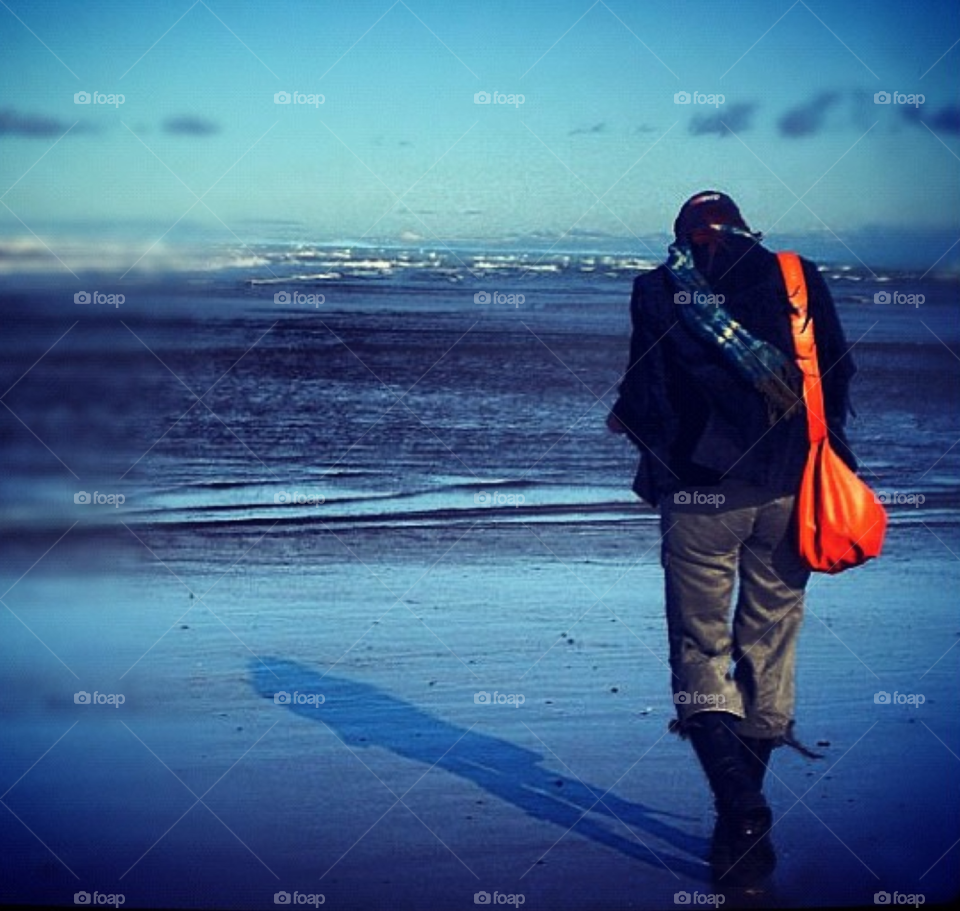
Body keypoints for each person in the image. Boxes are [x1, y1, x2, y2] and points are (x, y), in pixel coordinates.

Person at [607, 191, 856, 885]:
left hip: (699, 494)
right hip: (787, 490)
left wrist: (646, 451)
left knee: (700, 646)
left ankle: (739, 805)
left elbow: (646, 393)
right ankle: (739, 829)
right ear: (745, 228)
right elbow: (835, 374)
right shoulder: (796, 274)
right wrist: (823, 456)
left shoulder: (659, 289)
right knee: (769, 644)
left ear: (682, 236)